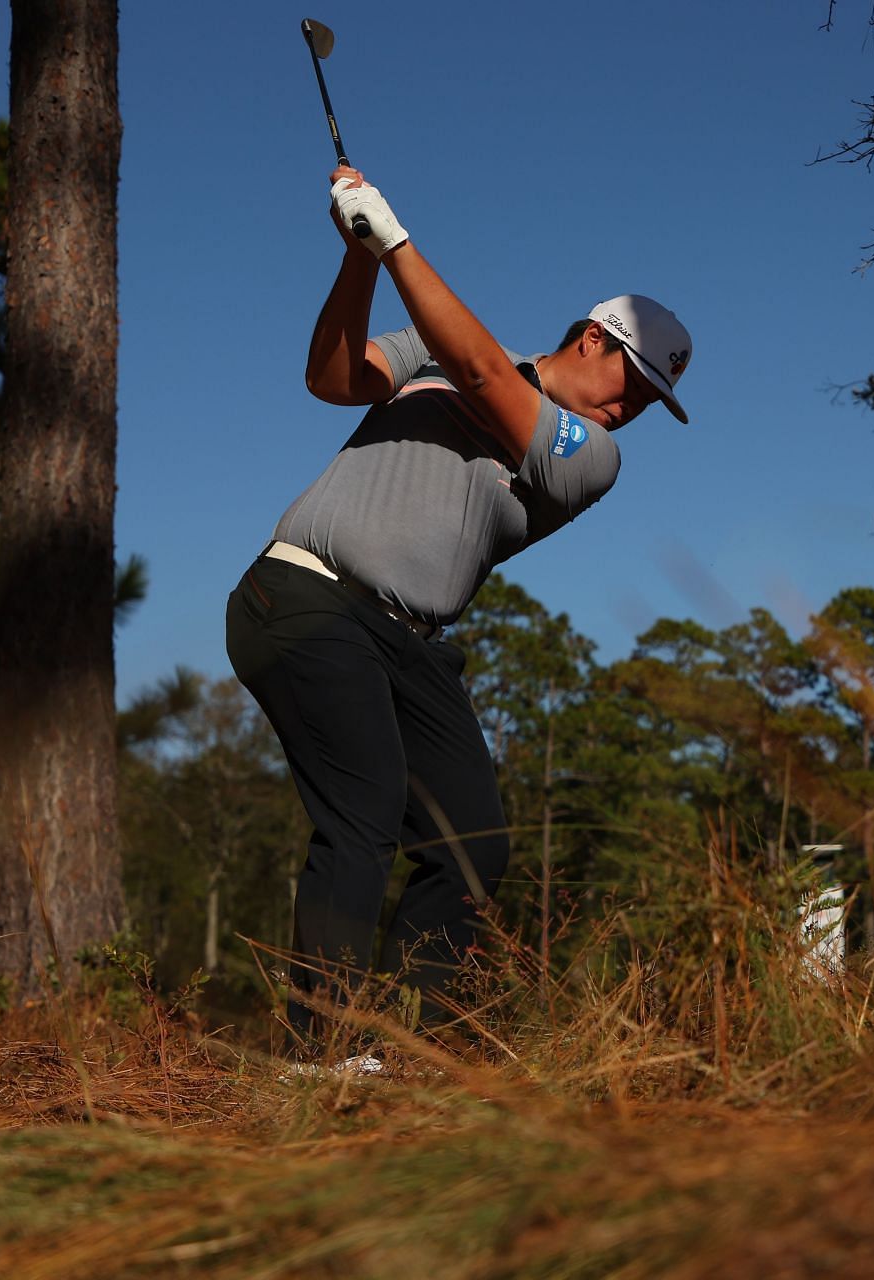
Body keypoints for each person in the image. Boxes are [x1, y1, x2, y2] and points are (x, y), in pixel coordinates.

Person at [226, 168, 692, 1053]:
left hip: (409, 642)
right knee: (362, 819)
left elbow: (483, 372)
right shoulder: (435, 352)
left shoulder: (588, 458)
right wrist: (359, 258)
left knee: (472, 845)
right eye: (630, 381)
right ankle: (315, 1055)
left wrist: (396, 240)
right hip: (302, 594)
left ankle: (414, 1056)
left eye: (647, 403)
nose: (629, 409)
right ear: (592, 338)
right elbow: (333, 377)